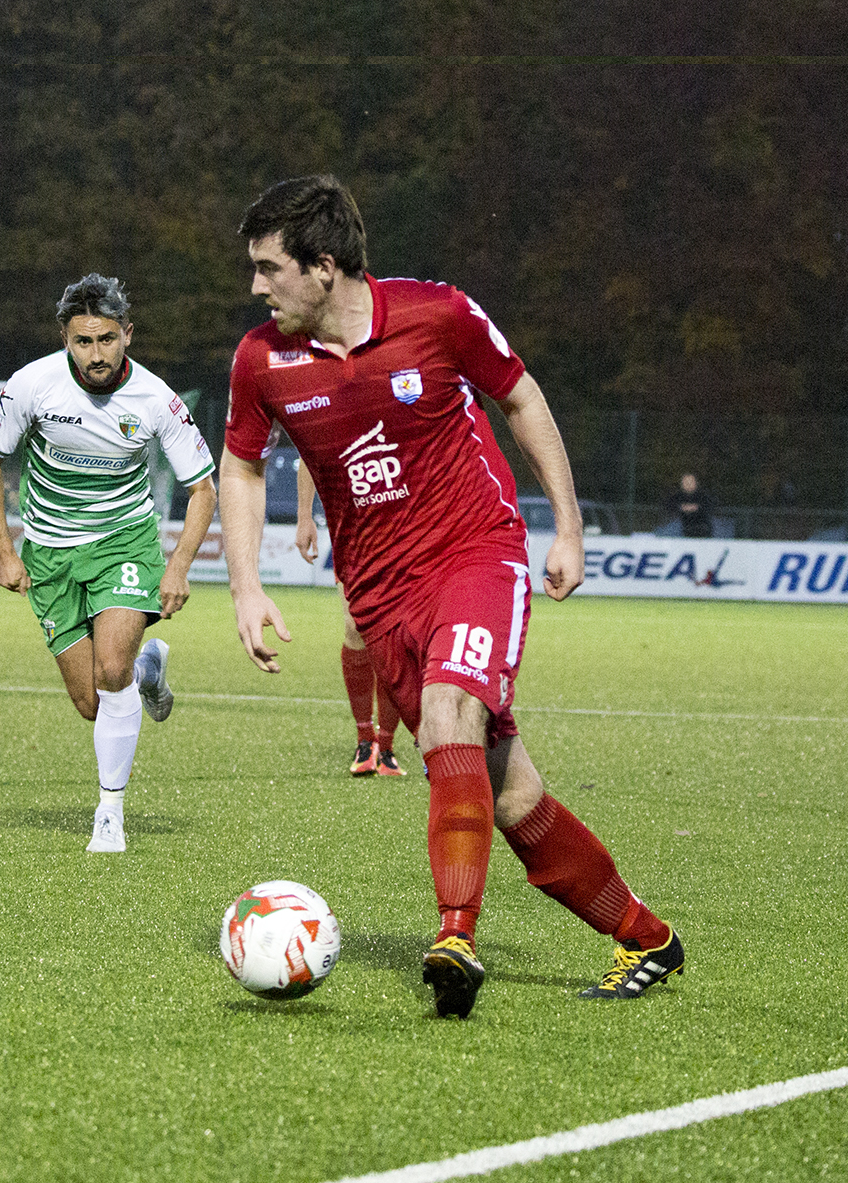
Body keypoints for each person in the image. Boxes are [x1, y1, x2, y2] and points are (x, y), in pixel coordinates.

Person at [220, 175, 683, 1018]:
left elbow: (521, 396)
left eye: (268, 268)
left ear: (323, 266)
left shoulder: (439, 314)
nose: (257, 288)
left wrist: (570, 527)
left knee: (446, 716)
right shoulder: (264, 361)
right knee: (510, 796)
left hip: (476, 555)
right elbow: (244, 465)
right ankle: (648, 938)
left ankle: (457, 935)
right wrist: (245, 586)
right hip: (381, 595)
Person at [0, 273, 218, 854]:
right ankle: (148, 667)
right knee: (92, 703)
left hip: (123, 544)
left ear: (127, 334)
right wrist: (5, 551)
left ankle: (109, 811)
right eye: (82, 341)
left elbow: (203, 488)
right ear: (65, 338)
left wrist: (179, 566)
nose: (95, 354)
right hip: (50, 553)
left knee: (110, 669)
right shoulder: (32, 384)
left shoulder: (156, 399)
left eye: (106, 339)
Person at [293, 461, 407, 777]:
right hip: (352, 530)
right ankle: (364, 738)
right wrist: (305, 517)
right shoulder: (333, 414)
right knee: (355, 627)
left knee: (394, 637)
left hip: (402, 527)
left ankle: (386, 746)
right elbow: (308, 456)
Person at [667, 471, 714, 538]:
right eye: (686, 482)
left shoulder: (704, 496)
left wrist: (696, 508)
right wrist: (681, 508)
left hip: (701, 528)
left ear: (696, 483)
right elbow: (669, 508)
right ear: (681, 483)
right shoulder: (676, 497)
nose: (688, 484)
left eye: (691, 482)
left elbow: (709, 507)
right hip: (679, 530)